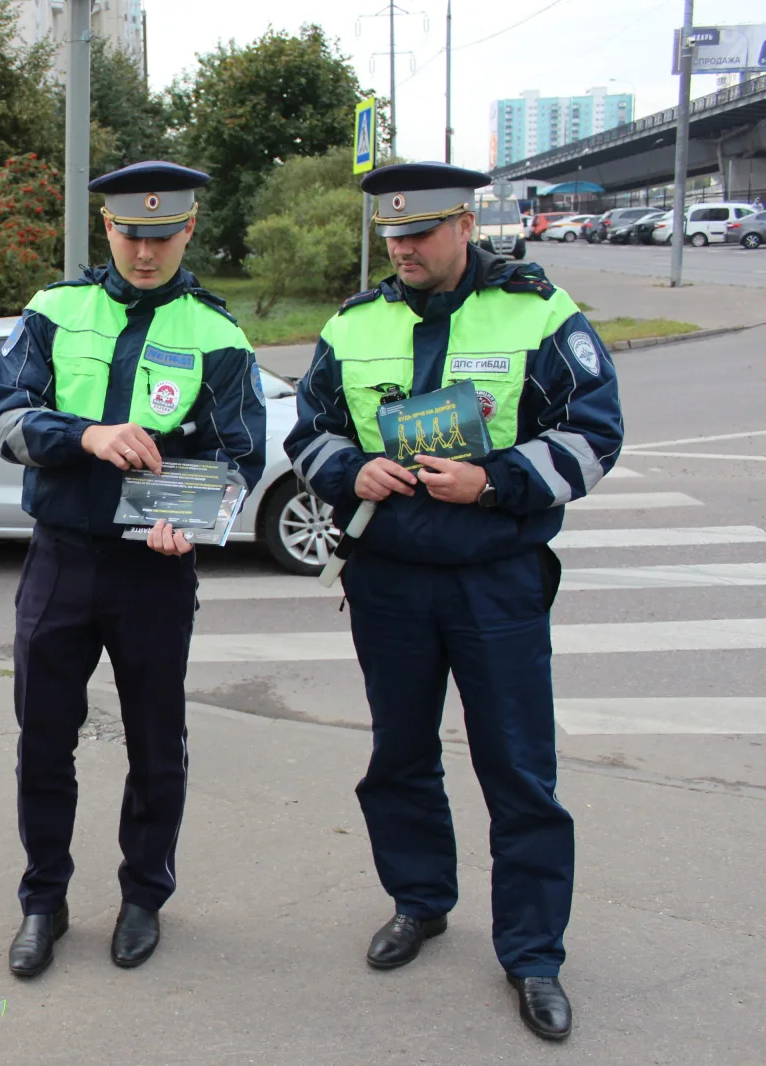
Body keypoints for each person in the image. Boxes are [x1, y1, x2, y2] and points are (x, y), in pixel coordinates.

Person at [284, 162, 624, 1042]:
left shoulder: (538, 313)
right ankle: (421, 901)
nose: (403, 249)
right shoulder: (354, 325)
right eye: (392, 237)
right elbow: (307, 428)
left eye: (420, 235)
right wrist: (348, 468)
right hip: (388, 579)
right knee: (398, 757)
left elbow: (595, 434)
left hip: (494, 579)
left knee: (518, 770)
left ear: (465, 227)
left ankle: (533, 954)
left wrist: (495, 481)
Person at [0, 161, 266, 976]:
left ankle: (144, 895)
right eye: (130, 235)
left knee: (155, 746)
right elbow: (5, 422)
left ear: (189, 231)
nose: (145, 253)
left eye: (162, 236)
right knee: (43, 741)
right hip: (60, 560)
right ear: (107, 230)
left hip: (154, 569)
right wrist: (88, 435)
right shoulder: (52, 311)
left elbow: (239, 459)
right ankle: (44, 901)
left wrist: (196, 521)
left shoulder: (218, 336)